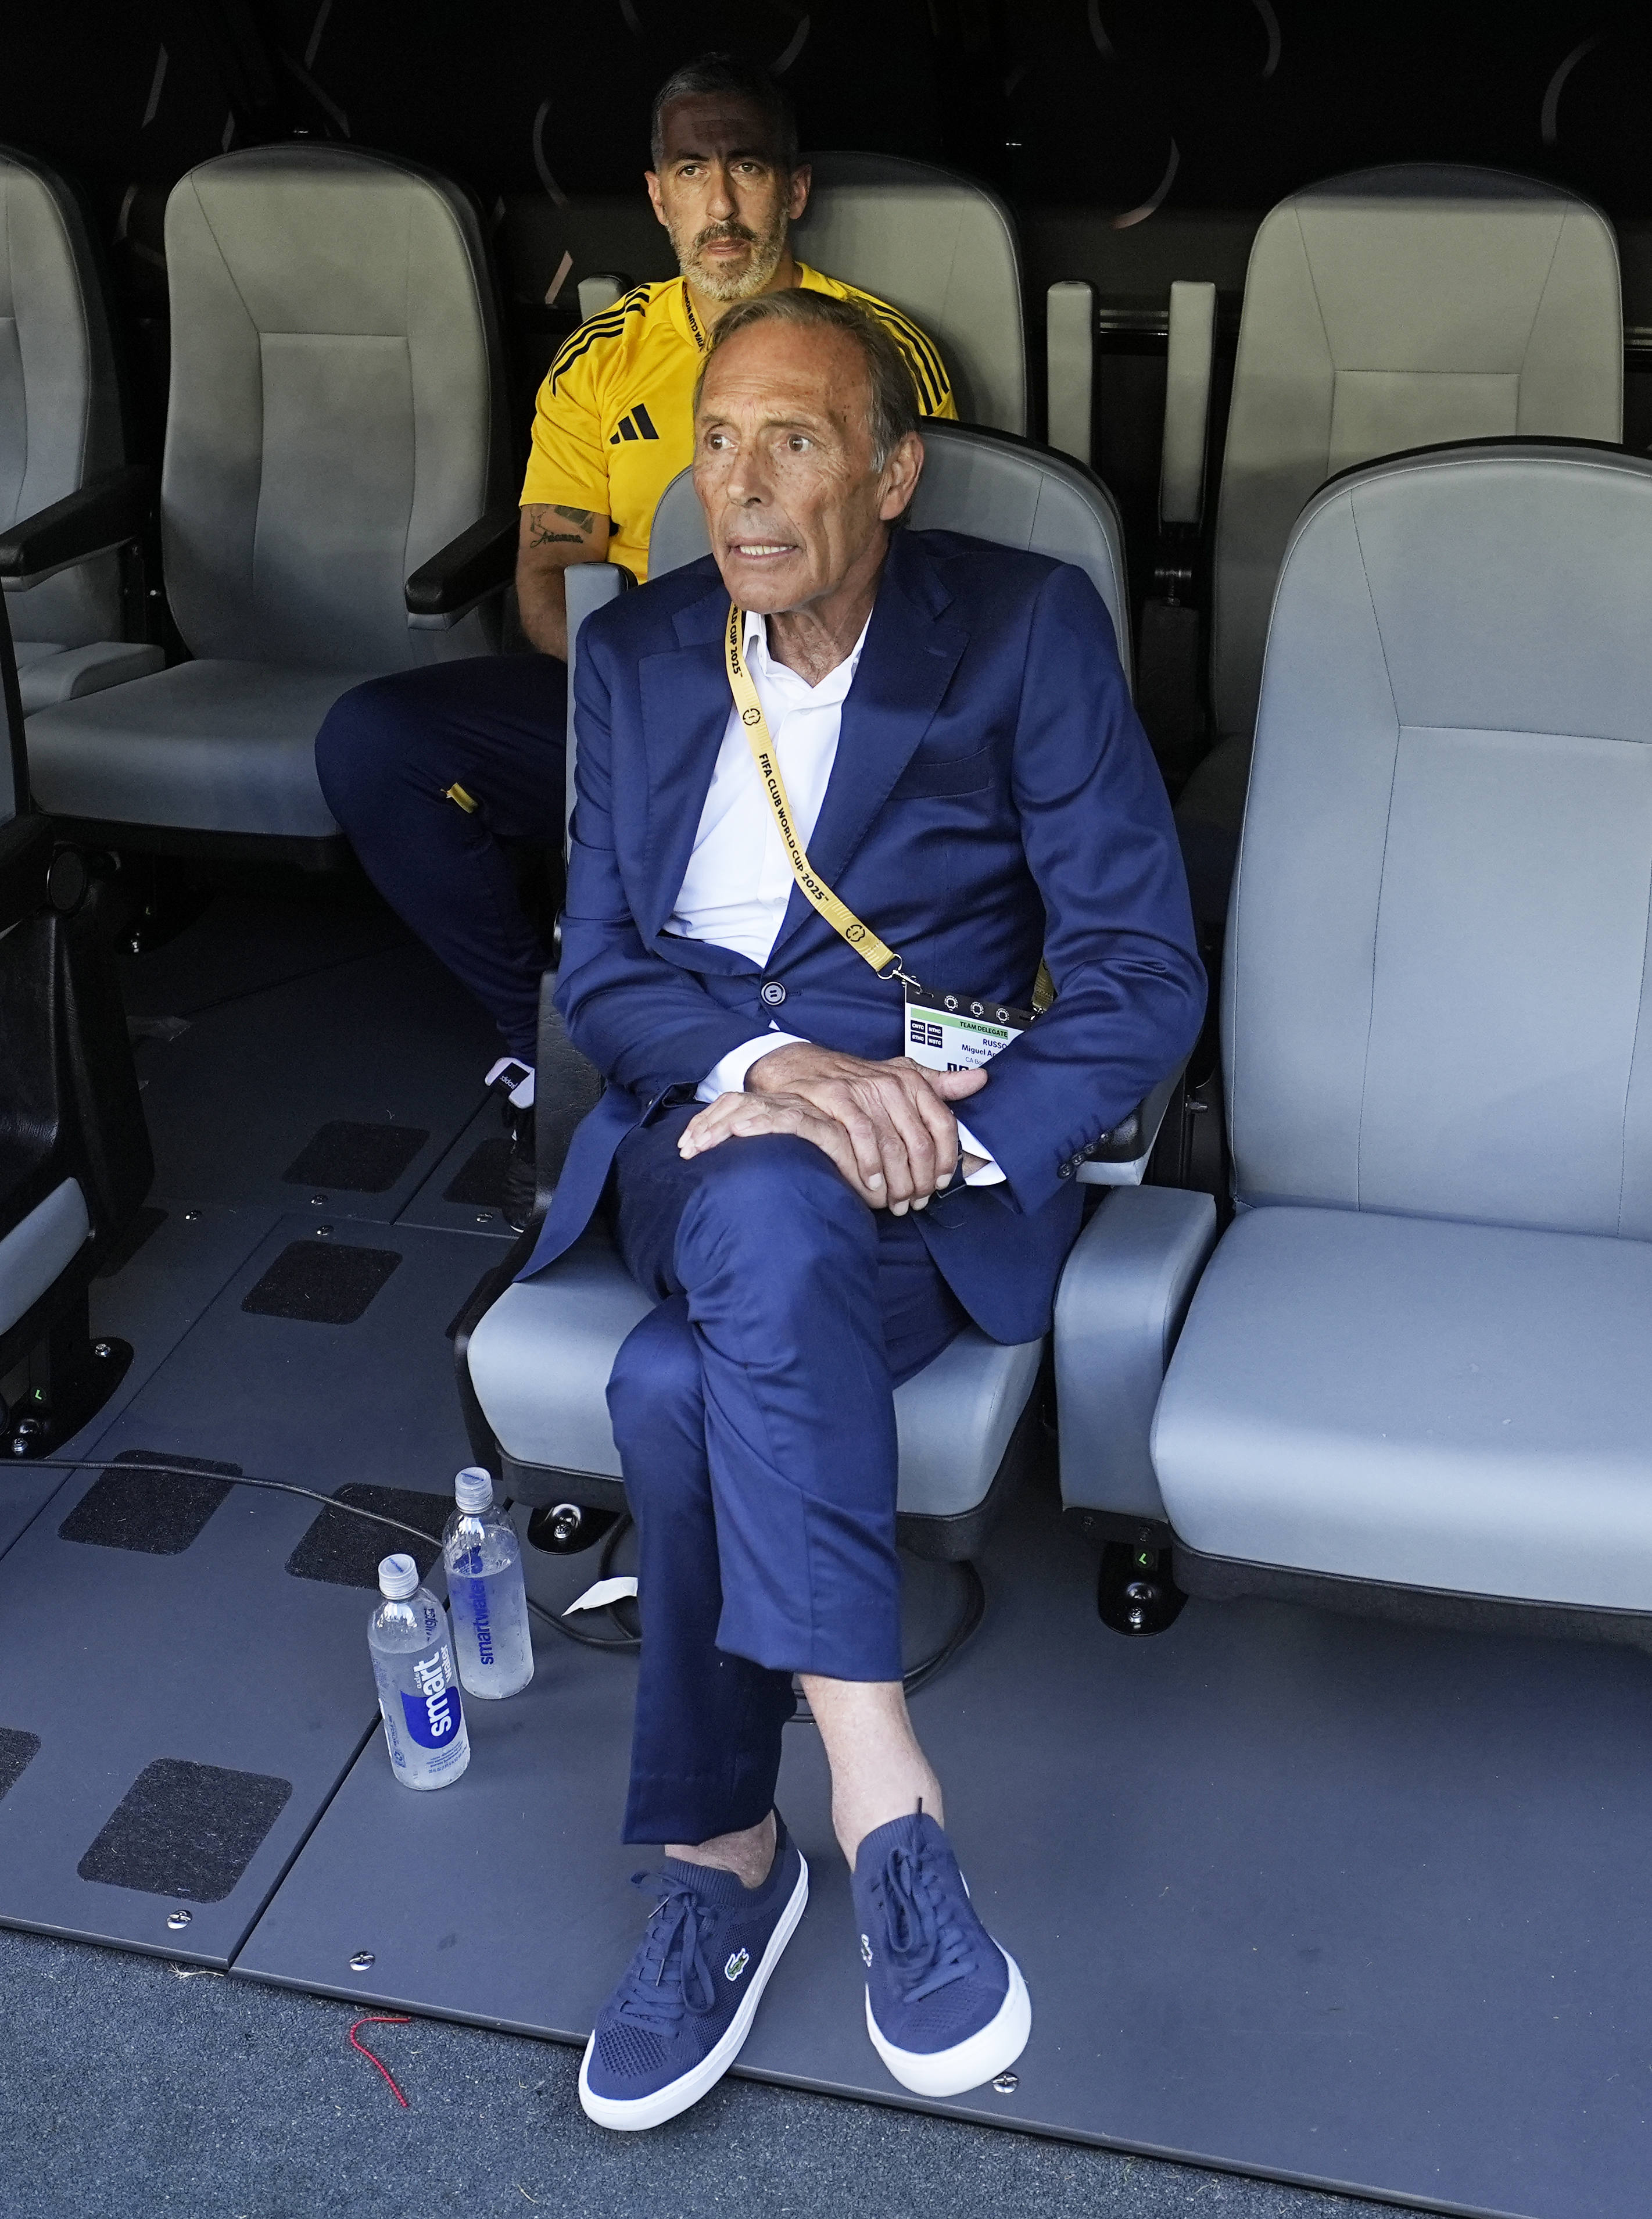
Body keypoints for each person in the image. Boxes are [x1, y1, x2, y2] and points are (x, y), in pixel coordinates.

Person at [520, 287, 1206, 2131]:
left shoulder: (1024, 634)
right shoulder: (642, 653)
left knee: (676, 1389)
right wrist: (767, 1073)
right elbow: (599, 971)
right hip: (711, 1136)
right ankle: (884, 1793)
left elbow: (1140, 975)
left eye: (796, 444)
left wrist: (947, 1133)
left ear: (892, 473)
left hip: (934, 1165)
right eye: (715, 444)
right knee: (753, 1207)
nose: (738, 491)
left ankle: (726, 1854)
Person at [313, 53, 956, 1229]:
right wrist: (660, 697)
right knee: (374, 741)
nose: (721, 205)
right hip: (634, 693)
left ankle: (803, 1060)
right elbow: (548, 584)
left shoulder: (876, 354)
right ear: (656, 195)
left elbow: (925, 571)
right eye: (691, 172)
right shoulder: (600, 359)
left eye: (748, 169)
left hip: (828, 691)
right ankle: (537, 1037)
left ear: (795, 191)